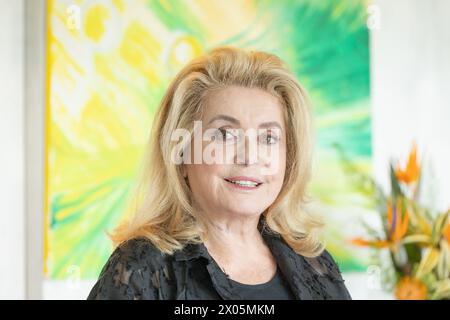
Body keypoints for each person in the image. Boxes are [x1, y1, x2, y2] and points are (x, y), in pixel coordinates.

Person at [87, 46, 352, 300]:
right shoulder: (140, 270)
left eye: (269, 137)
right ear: (182, 153)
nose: (249, 156)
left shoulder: (316, 265)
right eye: (225, 134)